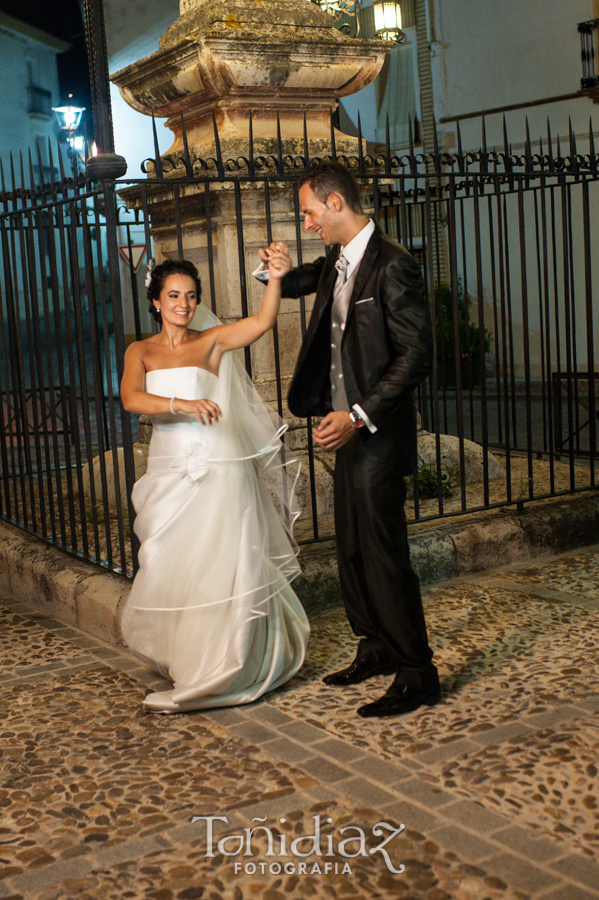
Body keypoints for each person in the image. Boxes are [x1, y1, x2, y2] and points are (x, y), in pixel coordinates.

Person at [258, 161, 439, 718]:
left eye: (310, 211)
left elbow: (416, 356)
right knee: (352, 550)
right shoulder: (338, 259)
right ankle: (376, 647)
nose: (307, 221)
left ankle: (417, 671)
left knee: (385, 556)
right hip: (345, 429)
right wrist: (273, 269)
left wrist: (358, 415)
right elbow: (297, 284)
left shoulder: (394, 265)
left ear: (336, 204)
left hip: (375, 431)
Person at [120, 257, 309, 713]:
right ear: (155, 302)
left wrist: (276, 277)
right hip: (169, 467)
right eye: (173, 295)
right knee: (170, 562)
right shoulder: (139, 351)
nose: (183, 304)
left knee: (221, 562)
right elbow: (131, 399)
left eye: (190, 295)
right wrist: (182, 403)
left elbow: (264, 321)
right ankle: (185, 655)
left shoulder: (211, 342)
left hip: (217, 467)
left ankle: (224, 664)